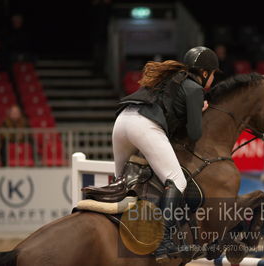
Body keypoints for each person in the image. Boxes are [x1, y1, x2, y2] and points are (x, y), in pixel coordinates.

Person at [86, 46, 219, 262]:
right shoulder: (194, 88)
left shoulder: (169, 80)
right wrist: (198, 111)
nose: (212, 79)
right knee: (177, 181)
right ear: (205, 73)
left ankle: (119, 236)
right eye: (213, 74)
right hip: (144, 125)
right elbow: (194, 133)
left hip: (122, 122)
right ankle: (164, 240)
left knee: (124, 185)